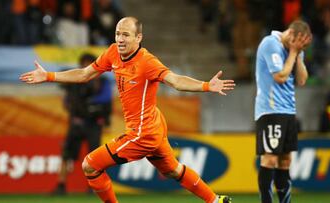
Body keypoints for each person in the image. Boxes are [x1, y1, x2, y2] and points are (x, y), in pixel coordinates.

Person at [20, 16, 235, 203]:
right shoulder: (113, 52)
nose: (120, 39)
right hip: (153, 124)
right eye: (117, 34)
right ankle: (215, 200)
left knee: (90, 165)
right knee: (173, 170)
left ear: (138, 38)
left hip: (143, 133)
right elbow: (85, 74)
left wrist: (206, 85)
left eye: (126, 35)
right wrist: (48, 76)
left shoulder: (147, 62)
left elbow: (176, 81)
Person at [254, 20, 312, 203]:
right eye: (297, 43)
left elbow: (302, 80)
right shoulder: (270, 43)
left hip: (288, 110)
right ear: (291, 34)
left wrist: (299, 53)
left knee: (285, 160)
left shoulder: (295, 49)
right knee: (269, 159)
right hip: (270, 110)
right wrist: (294, 52)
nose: (296, 47)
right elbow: (280, 76)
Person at [52, 53, 113, 195]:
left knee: (95, 158)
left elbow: (106, 100)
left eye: (89, 63)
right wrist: (77, 109)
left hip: (93, 124)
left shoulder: (102, 81)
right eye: (83, 63)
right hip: (77, 123)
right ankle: (61, 185)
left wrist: (93, 108)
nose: (86, 66)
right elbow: (66, 102)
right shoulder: (73, 83)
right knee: (66, 155)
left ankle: (94, 187)